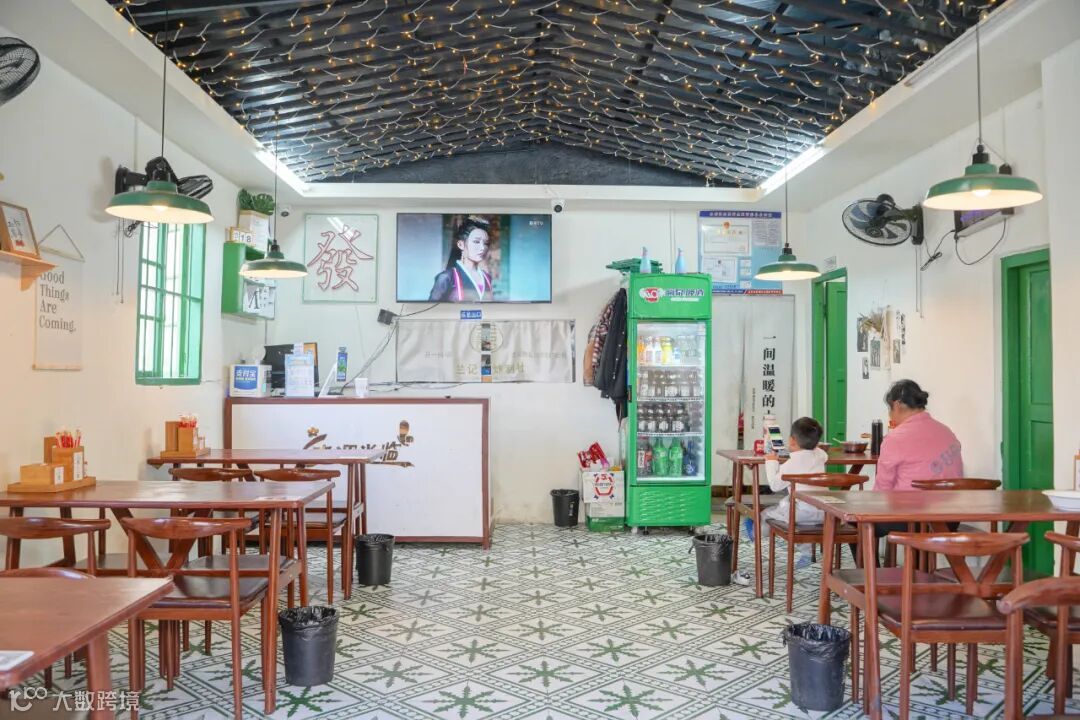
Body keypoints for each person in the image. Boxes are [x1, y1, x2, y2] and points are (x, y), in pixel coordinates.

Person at [733, 417, 828, 585]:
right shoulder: (820, 456)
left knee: (767, 514)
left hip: (800, 514)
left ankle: (755, 533)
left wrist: (771, 461)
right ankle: (807, 553)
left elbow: (775, 485)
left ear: (792, 440)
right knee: (793, 513)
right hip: (823, 513)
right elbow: (821, 453)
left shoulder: (792, 463)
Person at [428, 216, 494, 302]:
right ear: (461, 245)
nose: (483, 248)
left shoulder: (487, 278)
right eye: (476, 242)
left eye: (486, 243)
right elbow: (432, 308)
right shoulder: (446, 278)